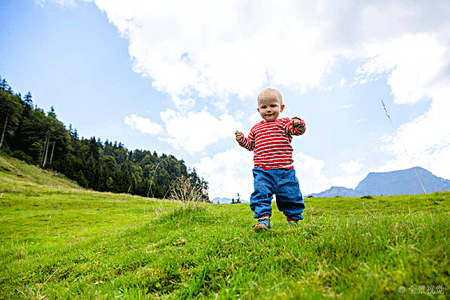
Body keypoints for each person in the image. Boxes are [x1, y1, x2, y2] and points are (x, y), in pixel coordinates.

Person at [235, 87, 306, 231]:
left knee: (291, 196)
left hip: (285, 170)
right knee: (260, 195)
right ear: (258, 110)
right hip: (262, 171)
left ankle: (294, 220)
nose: (268, 110)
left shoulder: (285, 124)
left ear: (282, 107)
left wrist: (298, 122)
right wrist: (241, 139)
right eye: (264, 107)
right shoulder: (256, 129)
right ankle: (263, 220)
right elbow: (250, 146)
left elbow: (299, 131)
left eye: (273, 106)